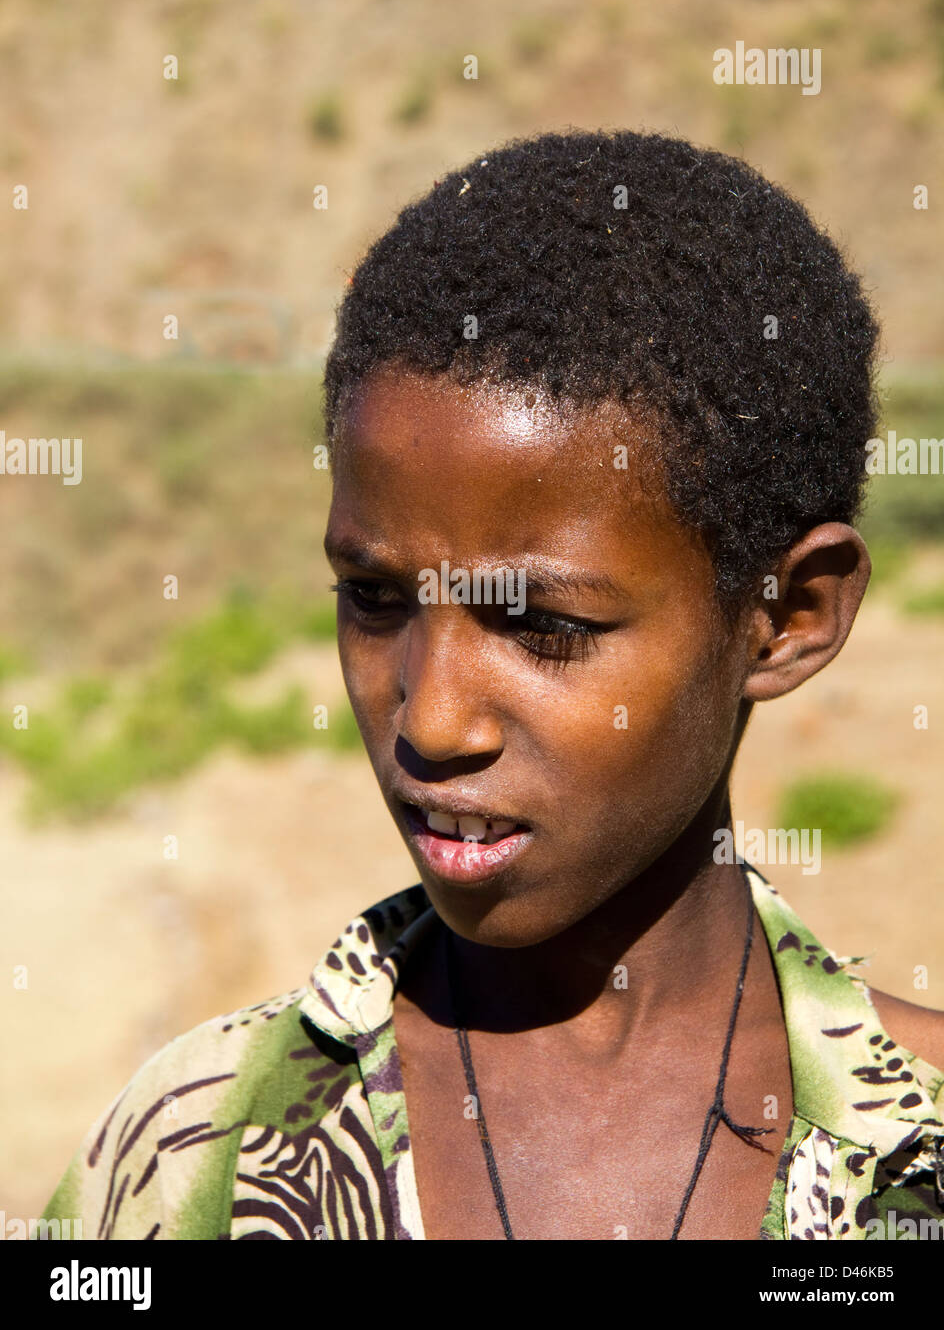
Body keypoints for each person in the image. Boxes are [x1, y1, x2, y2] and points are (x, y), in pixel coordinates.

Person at [39, 128, 944, 1240]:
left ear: (787, 617)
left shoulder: (918, 1149)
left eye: (540, 623)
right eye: (374, 598)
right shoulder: (192, 1154)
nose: (430, 718)